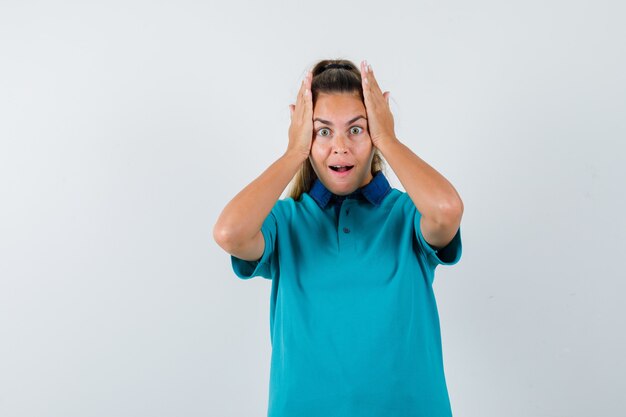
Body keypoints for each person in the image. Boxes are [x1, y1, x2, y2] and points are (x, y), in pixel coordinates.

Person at [213, 59, 464, 417]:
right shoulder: (286, 222)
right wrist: (293, 153)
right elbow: (229, 232)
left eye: (356, 130)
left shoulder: (406, 215)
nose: (340, 146)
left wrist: (387, 139)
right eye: (323, 131)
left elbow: (447, 211)